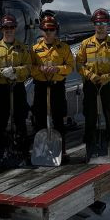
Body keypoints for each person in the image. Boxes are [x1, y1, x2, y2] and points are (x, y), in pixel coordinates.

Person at [75, 8, 110, 162]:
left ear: (107, 24)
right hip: (90, 85)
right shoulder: (85, 44)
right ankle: (90, 150)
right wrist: (90, 75)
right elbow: (79, 65)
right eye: (97, 23)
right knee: (90, 117)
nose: (100, 26)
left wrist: (108, 77)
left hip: (108, 85)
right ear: (93, 24)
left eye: (103, 22)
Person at [0, 14, 32, 164]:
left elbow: (28, 67)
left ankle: (23, 151)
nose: (9, 30)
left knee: (20, 120)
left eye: (11, 27)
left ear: (15, 29)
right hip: (0, 88)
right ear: (1, 29)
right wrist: (2, 72)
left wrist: (15, 71)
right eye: (6, 27)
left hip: (17, 87)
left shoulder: (22, 48)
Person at [31, 15, 74, 162]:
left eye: (51, 29)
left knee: (58, 119)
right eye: (45, 29)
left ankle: (61, 151)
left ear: (56, 31)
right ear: (41, 30)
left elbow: (70, 67)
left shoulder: (64, 48)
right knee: (39, 119)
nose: (48, 32)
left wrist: (57, 69)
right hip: (41, 87)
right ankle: (41, 151)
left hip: (57, 87)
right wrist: (40, 70)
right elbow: (30, 68)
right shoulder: (35, 49)